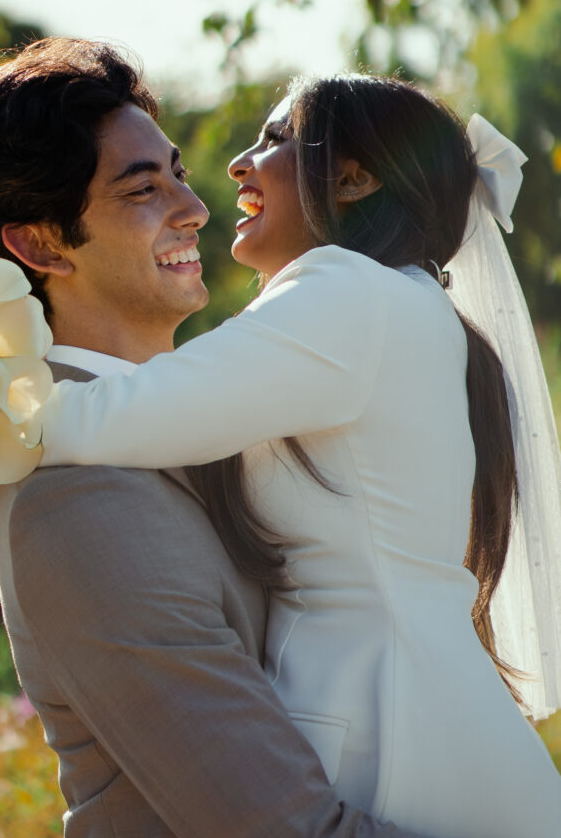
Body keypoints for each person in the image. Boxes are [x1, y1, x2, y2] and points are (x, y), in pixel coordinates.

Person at [0, 38, 425, 838]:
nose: (193, 209)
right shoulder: (80, 500)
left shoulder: (209, 420)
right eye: (141, 189)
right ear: (41, 244)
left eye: (178, 175)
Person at [38, 72, 561, 838]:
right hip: (427, 705)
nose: (239, 165)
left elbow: (134, 412)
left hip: (378, 721)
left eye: (276, 139)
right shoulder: (405, 305)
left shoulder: (346, 291)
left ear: (351, 178)